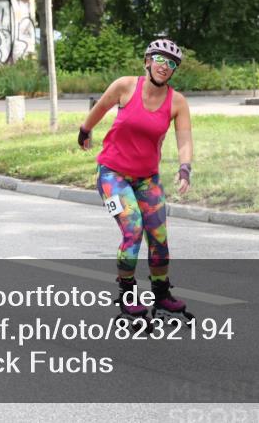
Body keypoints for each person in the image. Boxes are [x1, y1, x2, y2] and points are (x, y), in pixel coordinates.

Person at [77, 38, 194, 325]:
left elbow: (184, 139)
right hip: (111, 176)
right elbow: (101, 107)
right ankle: (127, 295)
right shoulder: (125, 86)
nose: (164, 67)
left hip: (147, 179)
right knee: (133, 229)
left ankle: (161, 293)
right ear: (147, 61)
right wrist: (85, 130)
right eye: (160, 60)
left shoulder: (177, 102)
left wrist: (185, 168)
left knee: (159, 235)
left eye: (171, 64)